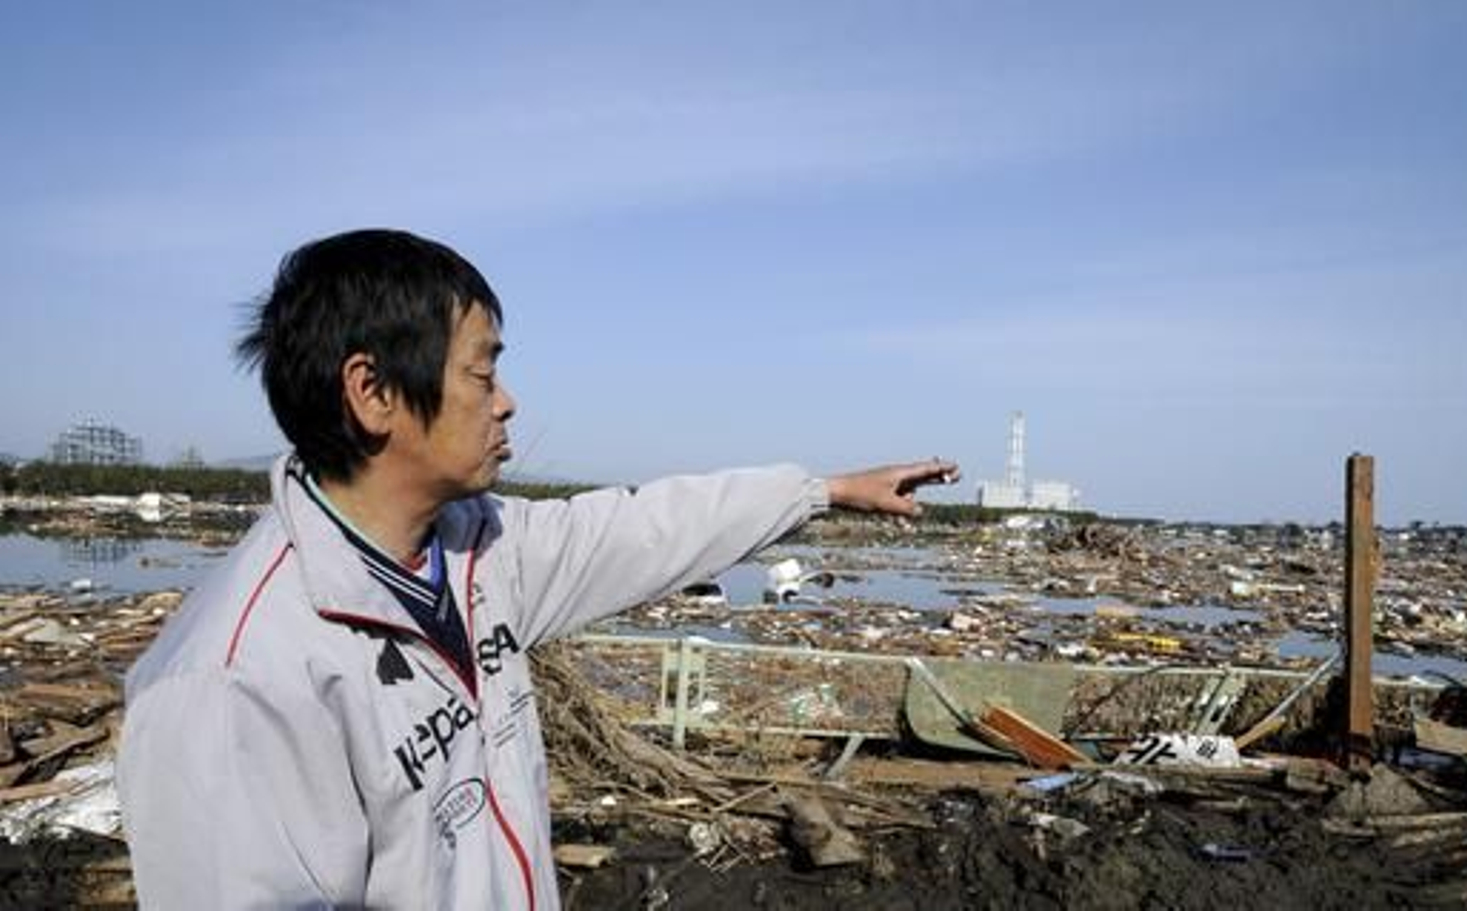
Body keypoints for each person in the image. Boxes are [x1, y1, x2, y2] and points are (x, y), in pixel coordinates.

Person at [115, 228, 959, 909]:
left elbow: (644, 527)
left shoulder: (478, 553)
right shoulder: (232, 682)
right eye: (482, 369)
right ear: (371, 392)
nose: (508, 398)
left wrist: (823, 490)